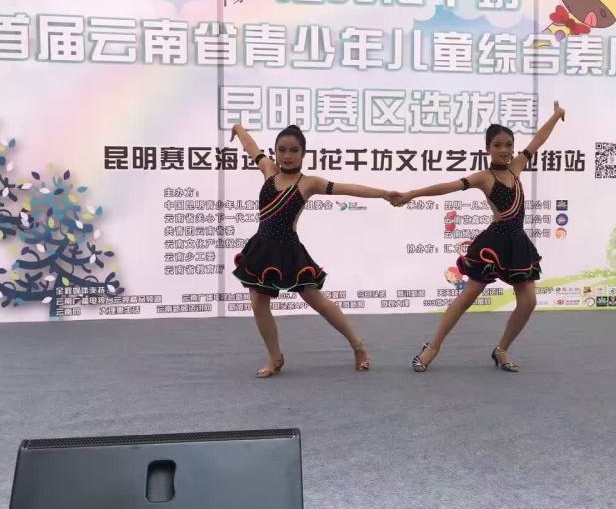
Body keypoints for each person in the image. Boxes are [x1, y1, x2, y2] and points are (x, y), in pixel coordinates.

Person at [390, 102, 567, 373]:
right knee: (468, 296)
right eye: (498, 145)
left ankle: (501, 349)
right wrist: (412, 194)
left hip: (517, 243)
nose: (504, 150)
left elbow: (539, 139)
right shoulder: (484, 177)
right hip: (494, 245)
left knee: (529, 302)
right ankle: (432, 347)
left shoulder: (516, 167)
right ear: (487, 148)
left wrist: (555, 115)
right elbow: (447, 187)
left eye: (509, 145)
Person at [230, 123, 396, 377]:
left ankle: (358, 346)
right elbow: (251, 147)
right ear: (275, 151)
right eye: (281, 150)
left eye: (293, 150)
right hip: (262, 248)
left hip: (289, 251)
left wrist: (384, 193)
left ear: (303, 153)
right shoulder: (268, 170)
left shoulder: (309, 183)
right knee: (258, 303)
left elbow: (348, 188)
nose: (287, 156)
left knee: (318, 301)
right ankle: (275, 358)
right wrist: (239, 129)